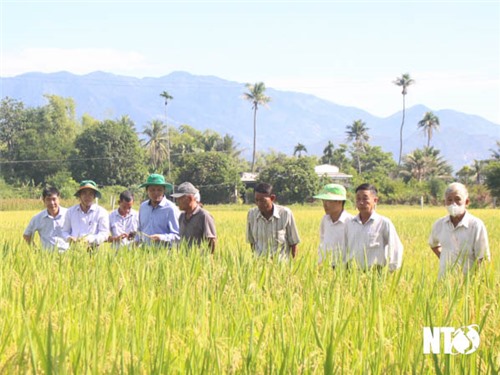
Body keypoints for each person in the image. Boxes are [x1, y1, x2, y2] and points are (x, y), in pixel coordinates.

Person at [429, 182, 490, 279]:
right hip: (444, 281)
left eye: (458, 199)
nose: (453, 203)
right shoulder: (439, 224)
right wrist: (444, 259)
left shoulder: (476, 226)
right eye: (449, 200)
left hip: (468, 282)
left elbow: (482, 258)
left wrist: (477, 281)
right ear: (445, 202)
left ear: (466, 202)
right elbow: (433, 244)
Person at [344, 183, 403, 272]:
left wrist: (390, 271)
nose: (361, 202)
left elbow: (395, 247)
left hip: (375, 274)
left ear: (375, 200)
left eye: (365, 198)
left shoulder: (383, 223)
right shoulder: (349, 223)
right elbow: (343, 248)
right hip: (352, 273)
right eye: (358, 199)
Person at [246, 182, 300, 259]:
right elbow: (252, 243)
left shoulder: (285, 214)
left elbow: (293, 243)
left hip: (281, 266)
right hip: (259, 266)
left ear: (272, 198)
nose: (259, 204)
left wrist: (294, 266)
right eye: (256, 200)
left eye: (262, 200)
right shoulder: (251, 214)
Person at [313, 183, 353, 267]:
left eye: (328, 201)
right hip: (325, 266)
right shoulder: (325, 220)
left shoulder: (351, 222)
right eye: (323, 200)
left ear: (339, 201)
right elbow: (322, 242)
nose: (324, 204)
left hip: (344, 267)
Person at [62, 180, 110, 248]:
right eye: (84, 193)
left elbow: (104, 234)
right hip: (74, 250)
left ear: (94, 196)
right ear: (80, 195)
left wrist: (89, 240)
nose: (87, 196)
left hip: (93, 249)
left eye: (90, 193)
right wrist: (69, 238)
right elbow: (64, 232)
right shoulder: (70, 212)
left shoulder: (101, 212)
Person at [171, 182, 217, 253]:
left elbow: (212, 241)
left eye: (180, 198)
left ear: (190, 198)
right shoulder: (182, 216)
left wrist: (208, 258)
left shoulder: (204, 216)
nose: (177, 201)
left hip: (198, 260)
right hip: (183, 259)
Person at [137, 173, 180, 246]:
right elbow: (140, 229)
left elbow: (178, 235)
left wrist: (161, 237)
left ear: (164, 190)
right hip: (144, 251)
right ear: (147, 191)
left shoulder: (171, 208)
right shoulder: (143, 207)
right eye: (152, 190)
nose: (156, 193)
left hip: (165, 252)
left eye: (159, 190)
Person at [23, 186, 69, 252]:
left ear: (59, 199)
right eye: (48, 199)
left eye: (54, 199)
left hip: (68, 255)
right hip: (47, 256)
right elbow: (26, 235)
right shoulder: (38, 218)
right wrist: (36, 250)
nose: (52, 203)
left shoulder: (69, 214)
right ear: (44, 200)